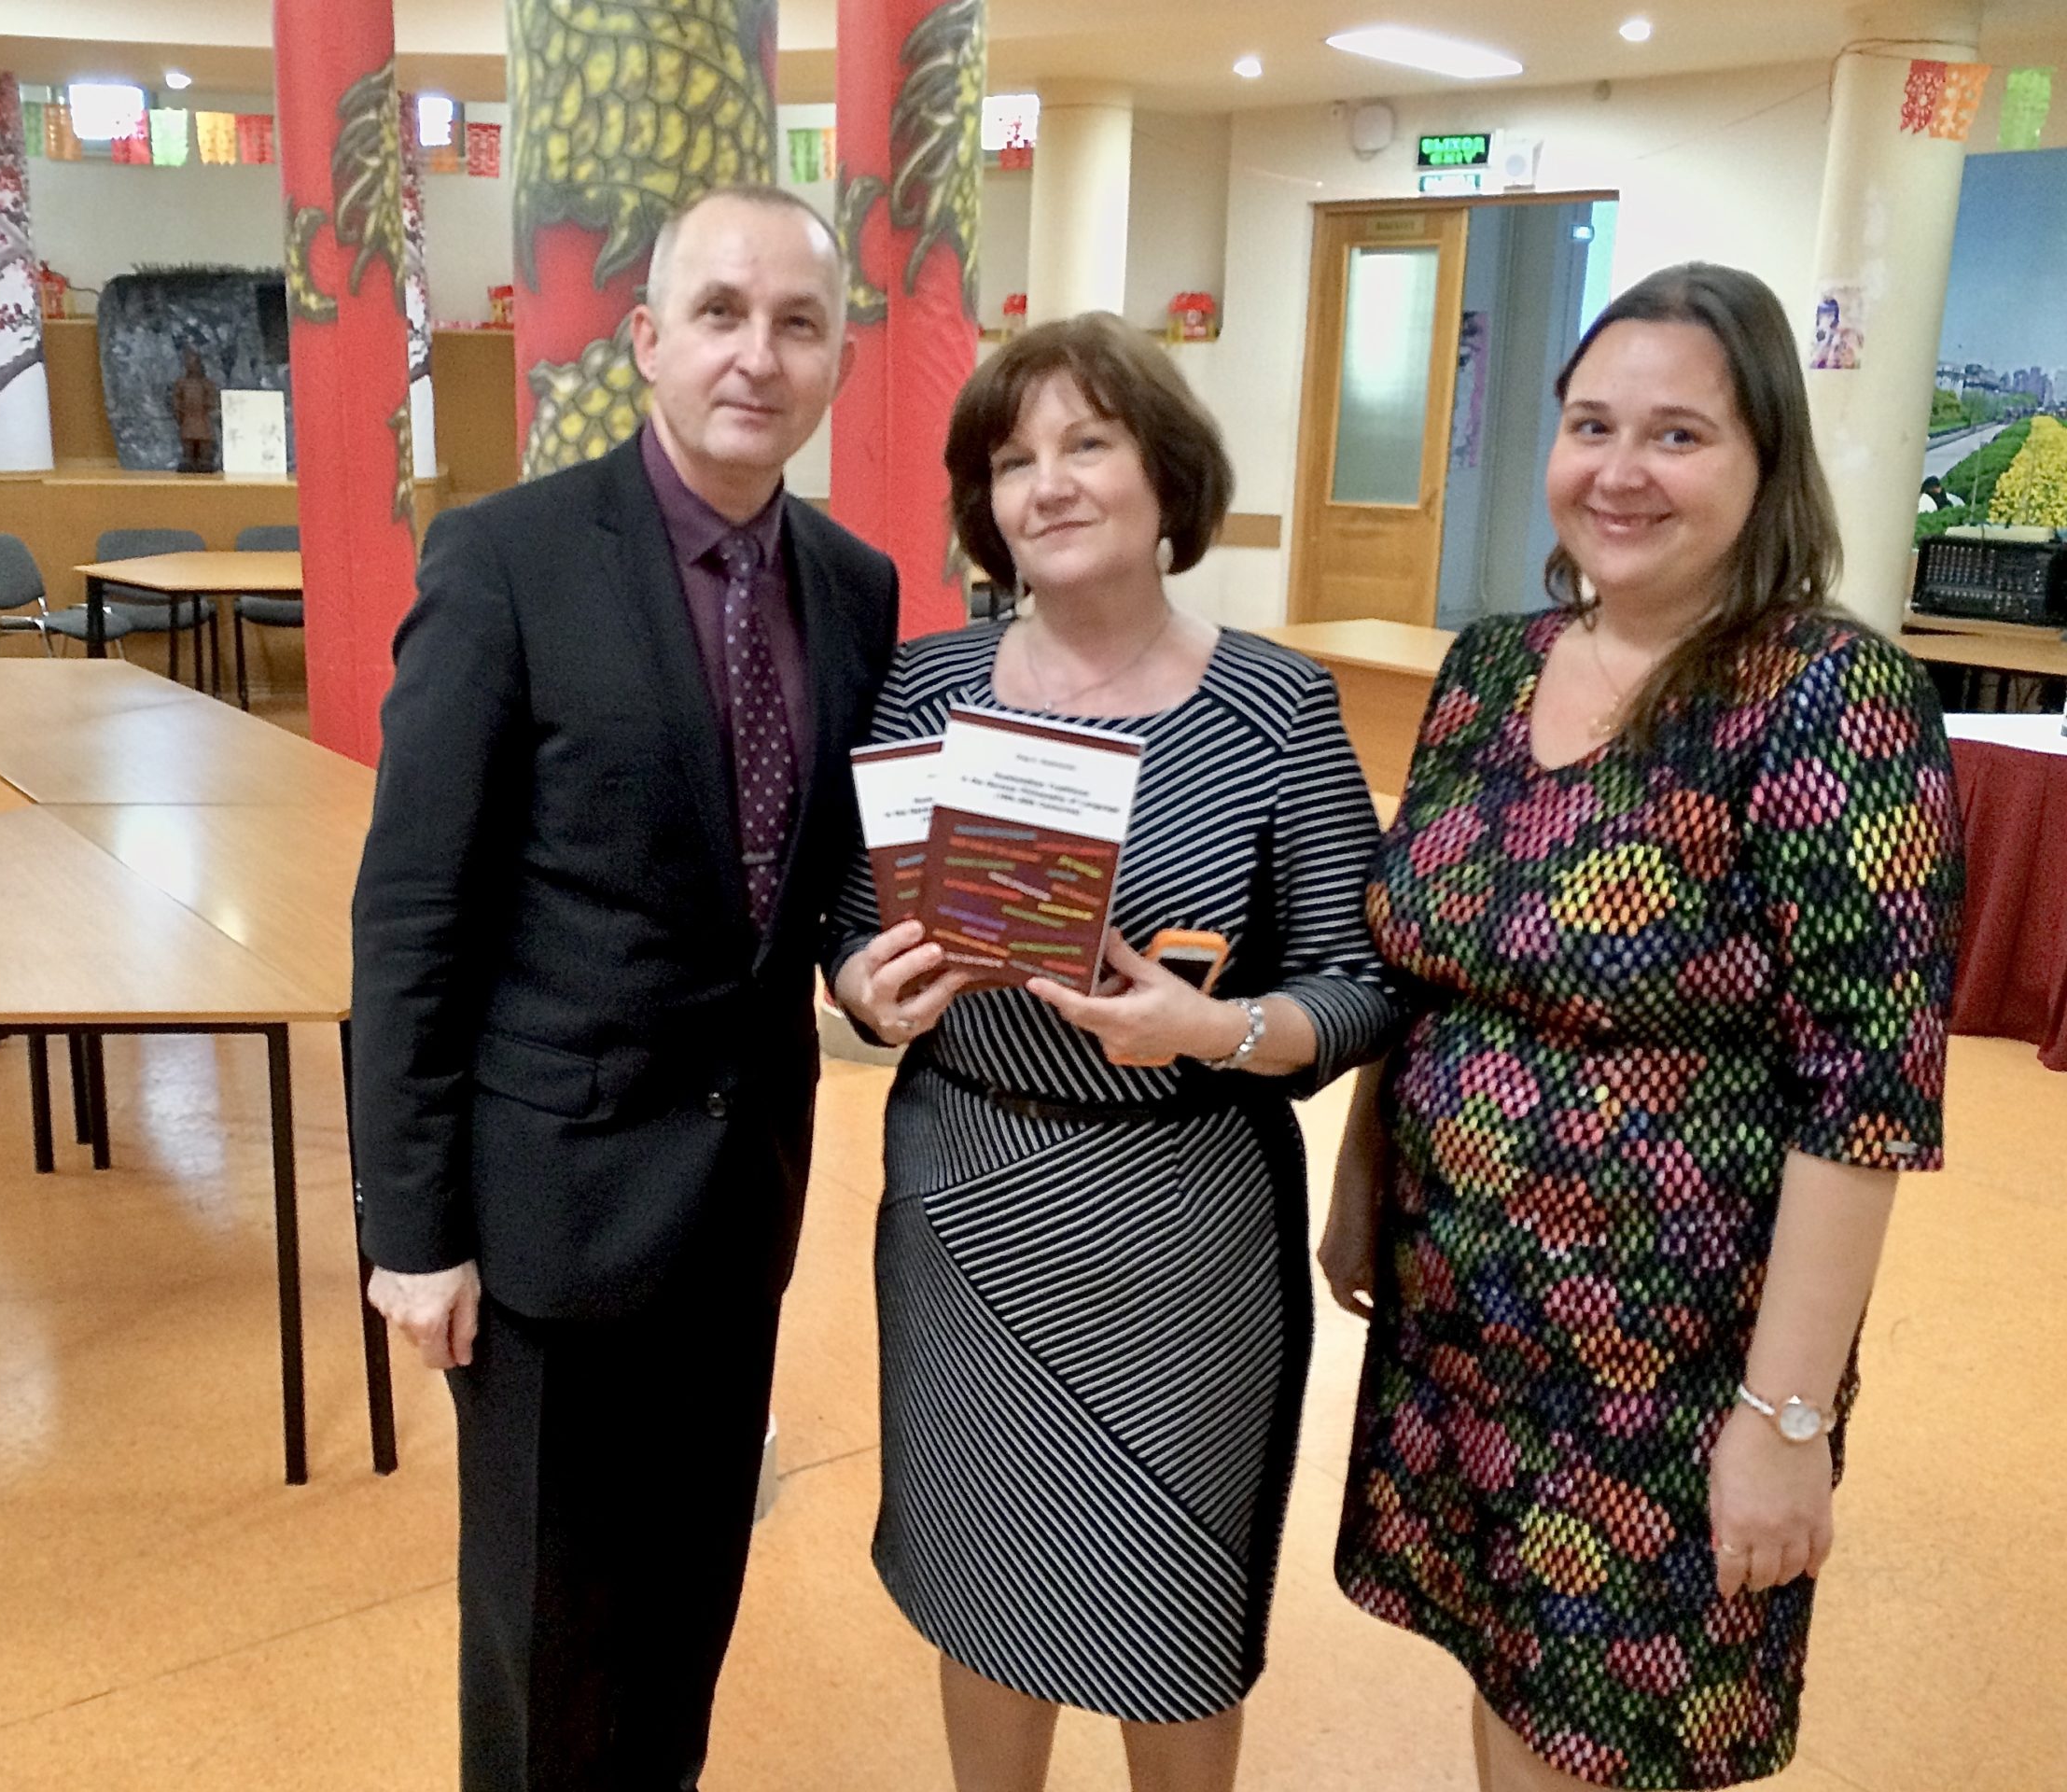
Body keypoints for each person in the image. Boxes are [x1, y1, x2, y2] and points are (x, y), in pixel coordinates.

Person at [1320, 262, 1963, 1791]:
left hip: (1668, 1370)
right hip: (1464, 1320)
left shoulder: (1830, 700)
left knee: (1607, 1735)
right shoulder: (1493, 669)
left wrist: (1784, 1418)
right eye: (1592, 425)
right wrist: (1360, 1182)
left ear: (1765, 459)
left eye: (1679, 434)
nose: (1621, 470)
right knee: (1507, 1671)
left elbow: (1863, 1099)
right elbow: (1420, 962)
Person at [350, 185, 899, 1792]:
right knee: (546, 1647)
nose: (757, 355)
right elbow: (412, 916)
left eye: (798, 323)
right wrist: (411, 1230)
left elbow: (812, 872)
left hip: (740, 1208)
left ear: (838, 359)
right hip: (548, 1216)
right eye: (720, 313)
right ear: (648, 338)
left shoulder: (855, 585)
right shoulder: (507, 560)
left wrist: (865, 962)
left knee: (681, 1618)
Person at [827, 312, 1403, 1792]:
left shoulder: (1273, 706)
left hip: (1182, 1222)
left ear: (1168, 476)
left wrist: (1214, 1028)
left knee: (1179, 1598)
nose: (1050, 484)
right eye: (1013, 461)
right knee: (984, 1575)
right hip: (964, 1196)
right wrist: (869, 991)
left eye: (1089, 443)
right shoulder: (925, 688)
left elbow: (1359, 986)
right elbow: (852, 927)